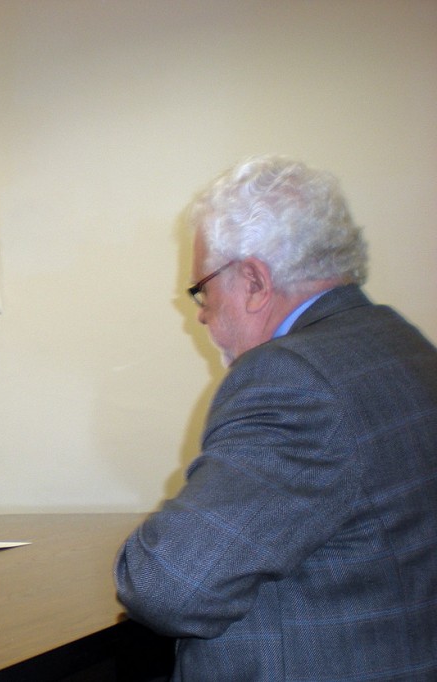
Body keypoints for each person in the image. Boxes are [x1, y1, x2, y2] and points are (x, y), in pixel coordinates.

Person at [114, 156, 437, 680]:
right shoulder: (403, 343)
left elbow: (167, 585)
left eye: (203, 290)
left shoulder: (292, 378)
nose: (199, 313)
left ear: (255, 282)